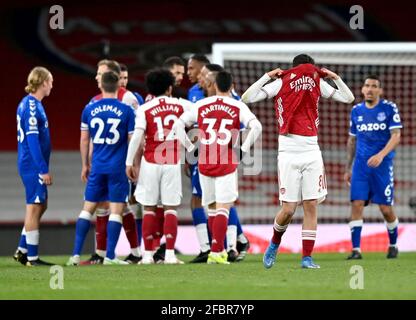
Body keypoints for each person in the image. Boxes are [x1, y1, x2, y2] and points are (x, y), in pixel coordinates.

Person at [242, 54, 355, 269]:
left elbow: (348, 99)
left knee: (311, 205)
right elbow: (247, 98)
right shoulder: (280, 82)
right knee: (289, 210)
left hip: (312, 149)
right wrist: (267, 77)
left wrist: (335, 78)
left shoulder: (317, 82)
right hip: (287, 150)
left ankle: (307, 258)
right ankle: (274, 243)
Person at [174, 71, 262, 264]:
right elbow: (257, 127)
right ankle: (216, 251)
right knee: (224, 206)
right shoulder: (237, 105)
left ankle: (218, 250)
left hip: (205, 161)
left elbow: (178, 125)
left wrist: (191, 149)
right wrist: (242, 151)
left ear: (214, 86)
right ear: (231, 86)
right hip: (226, 160)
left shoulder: (201, 105)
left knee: (212, 208)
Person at [67, 71, 135, 265]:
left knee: (87, 209)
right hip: (117, 168)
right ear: (118, 87)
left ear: (101, 86)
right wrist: (133, 164)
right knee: (116, 210)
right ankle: (110, 256)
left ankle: (75, 255)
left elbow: (84, 140)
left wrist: (85, 165)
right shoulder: (126, 110)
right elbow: (131, 140)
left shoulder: (89, 109)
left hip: (97, 166)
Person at [81, 60, 141, 265]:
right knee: (107, 206)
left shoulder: (129, 99)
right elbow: (90, 137)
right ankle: (105, 253)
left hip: (120, 164)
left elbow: (136, 134)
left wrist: (135, 163)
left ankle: (125, 251)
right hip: (103, 163)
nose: (96, 77)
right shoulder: (94, 100)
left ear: (109, 76)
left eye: (100, 73)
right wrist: (89, 160)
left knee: (119, 206)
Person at [125, 69, 188, 264]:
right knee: (170, 209)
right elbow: (199, 113)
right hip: (171, 162)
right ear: (170, 88)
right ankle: (169, 254)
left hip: (150, 162)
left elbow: (137, 136)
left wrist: (129, 162)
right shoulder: (180, 105)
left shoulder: (145, 108)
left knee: (149, 208)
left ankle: (147, 255)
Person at [344, 75, 402, 260]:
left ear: (380, 90)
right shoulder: (356, 111)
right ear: (362, 89)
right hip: (361, 167)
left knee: (385, 209)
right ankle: (356, 250)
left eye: (374, 86)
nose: (369, 89)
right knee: (357, 204)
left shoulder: (389, 108)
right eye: (367, 85)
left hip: (382, 166)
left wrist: (380, 155)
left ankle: (393, 245)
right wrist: (348, 167)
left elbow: (396, 136)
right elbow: (352, 140)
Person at [14, 66, 54, 266]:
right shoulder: (31, 106)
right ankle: (32, 258)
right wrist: (42, 169)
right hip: (32, 164)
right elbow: (32, 140)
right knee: (34, 206)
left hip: (31, 163)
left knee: (41, 205)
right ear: (43, 82)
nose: (52, 86)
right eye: (51, 82)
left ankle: (22, 249)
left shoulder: (33, 104)